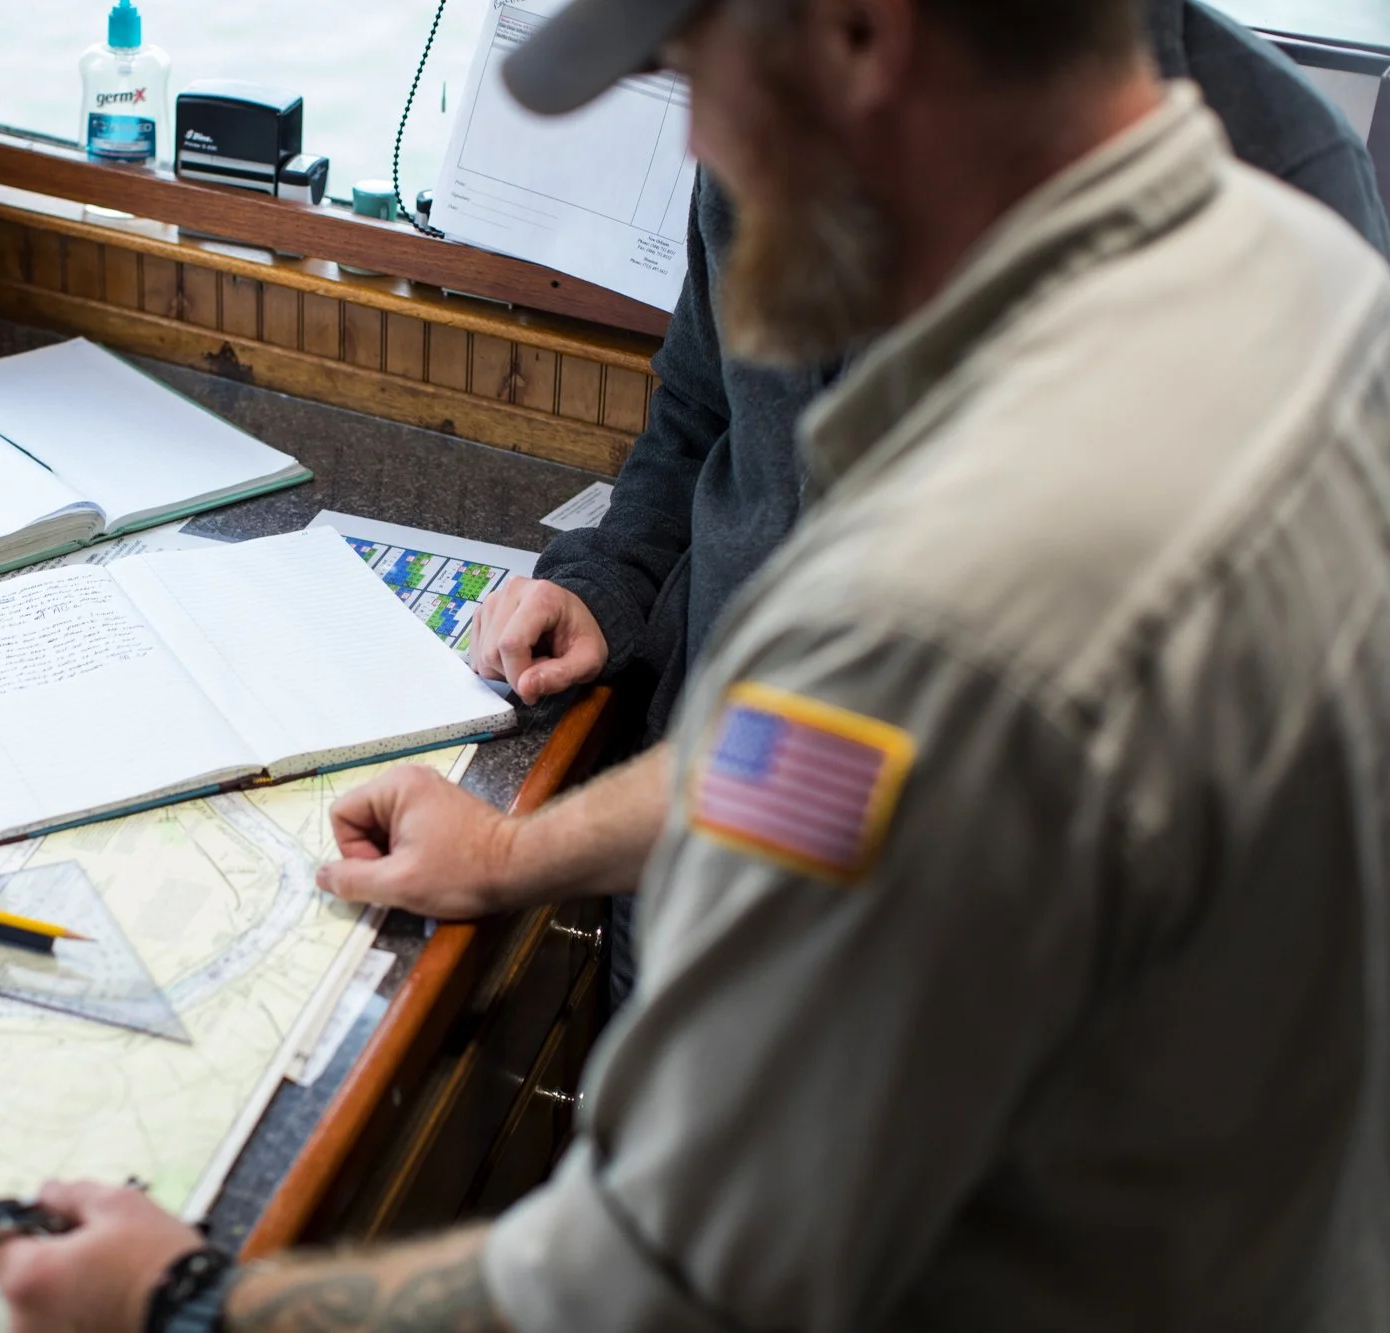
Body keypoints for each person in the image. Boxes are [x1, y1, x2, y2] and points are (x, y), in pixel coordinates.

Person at [0, 0, 1390, 1328]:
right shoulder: (1302, 281)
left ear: (861, 30)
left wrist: (183, 1300)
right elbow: (847, 777)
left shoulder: (936, 622)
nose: (697, 143)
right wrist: (516, 856)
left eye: (700, 63)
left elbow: (650, 1288)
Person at [468, 0, 1390, 1003]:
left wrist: (528, 853)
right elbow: (702, 398)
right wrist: (611, 581)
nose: (698, 137)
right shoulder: (783, 92)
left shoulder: (1287, 190)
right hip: (696, 816)